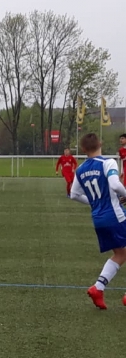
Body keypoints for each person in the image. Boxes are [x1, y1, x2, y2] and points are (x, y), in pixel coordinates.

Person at [69, 132, 126, 310]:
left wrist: (94, 202)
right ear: (100, 144)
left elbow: (74, 194)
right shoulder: (107, 162)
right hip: (115, 215)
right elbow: (115, 185)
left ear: (83, 149)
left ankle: (98, 288)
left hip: (98, 218)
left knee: (120, 254)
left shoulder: (80, 170)